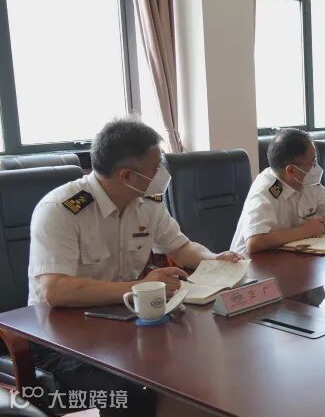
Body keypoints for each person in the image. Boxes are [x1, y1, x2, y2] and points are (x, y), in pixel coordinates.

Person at [27, 118, 242, 416]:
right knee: (131, 390)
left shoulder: (148, 203)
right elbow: (55, 290)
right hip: (59, 337)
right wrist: (139, 287)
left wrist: (213, 258)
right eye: (155, 168)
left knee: (201, 356)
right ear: (126, 175)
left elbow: (180, 247)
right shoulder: (62, 210)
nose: (161, 175)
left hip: (123, 320)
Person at [230, 128, 325, 256]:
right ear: (291, 170)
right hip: (250, 265)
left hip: (289, 259)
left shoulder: (307, 182)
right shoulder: (265, 190)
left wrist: (324, 227)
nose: (316, 167)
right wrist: (305, 231)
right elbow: (255, 242)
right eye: (312, 162)